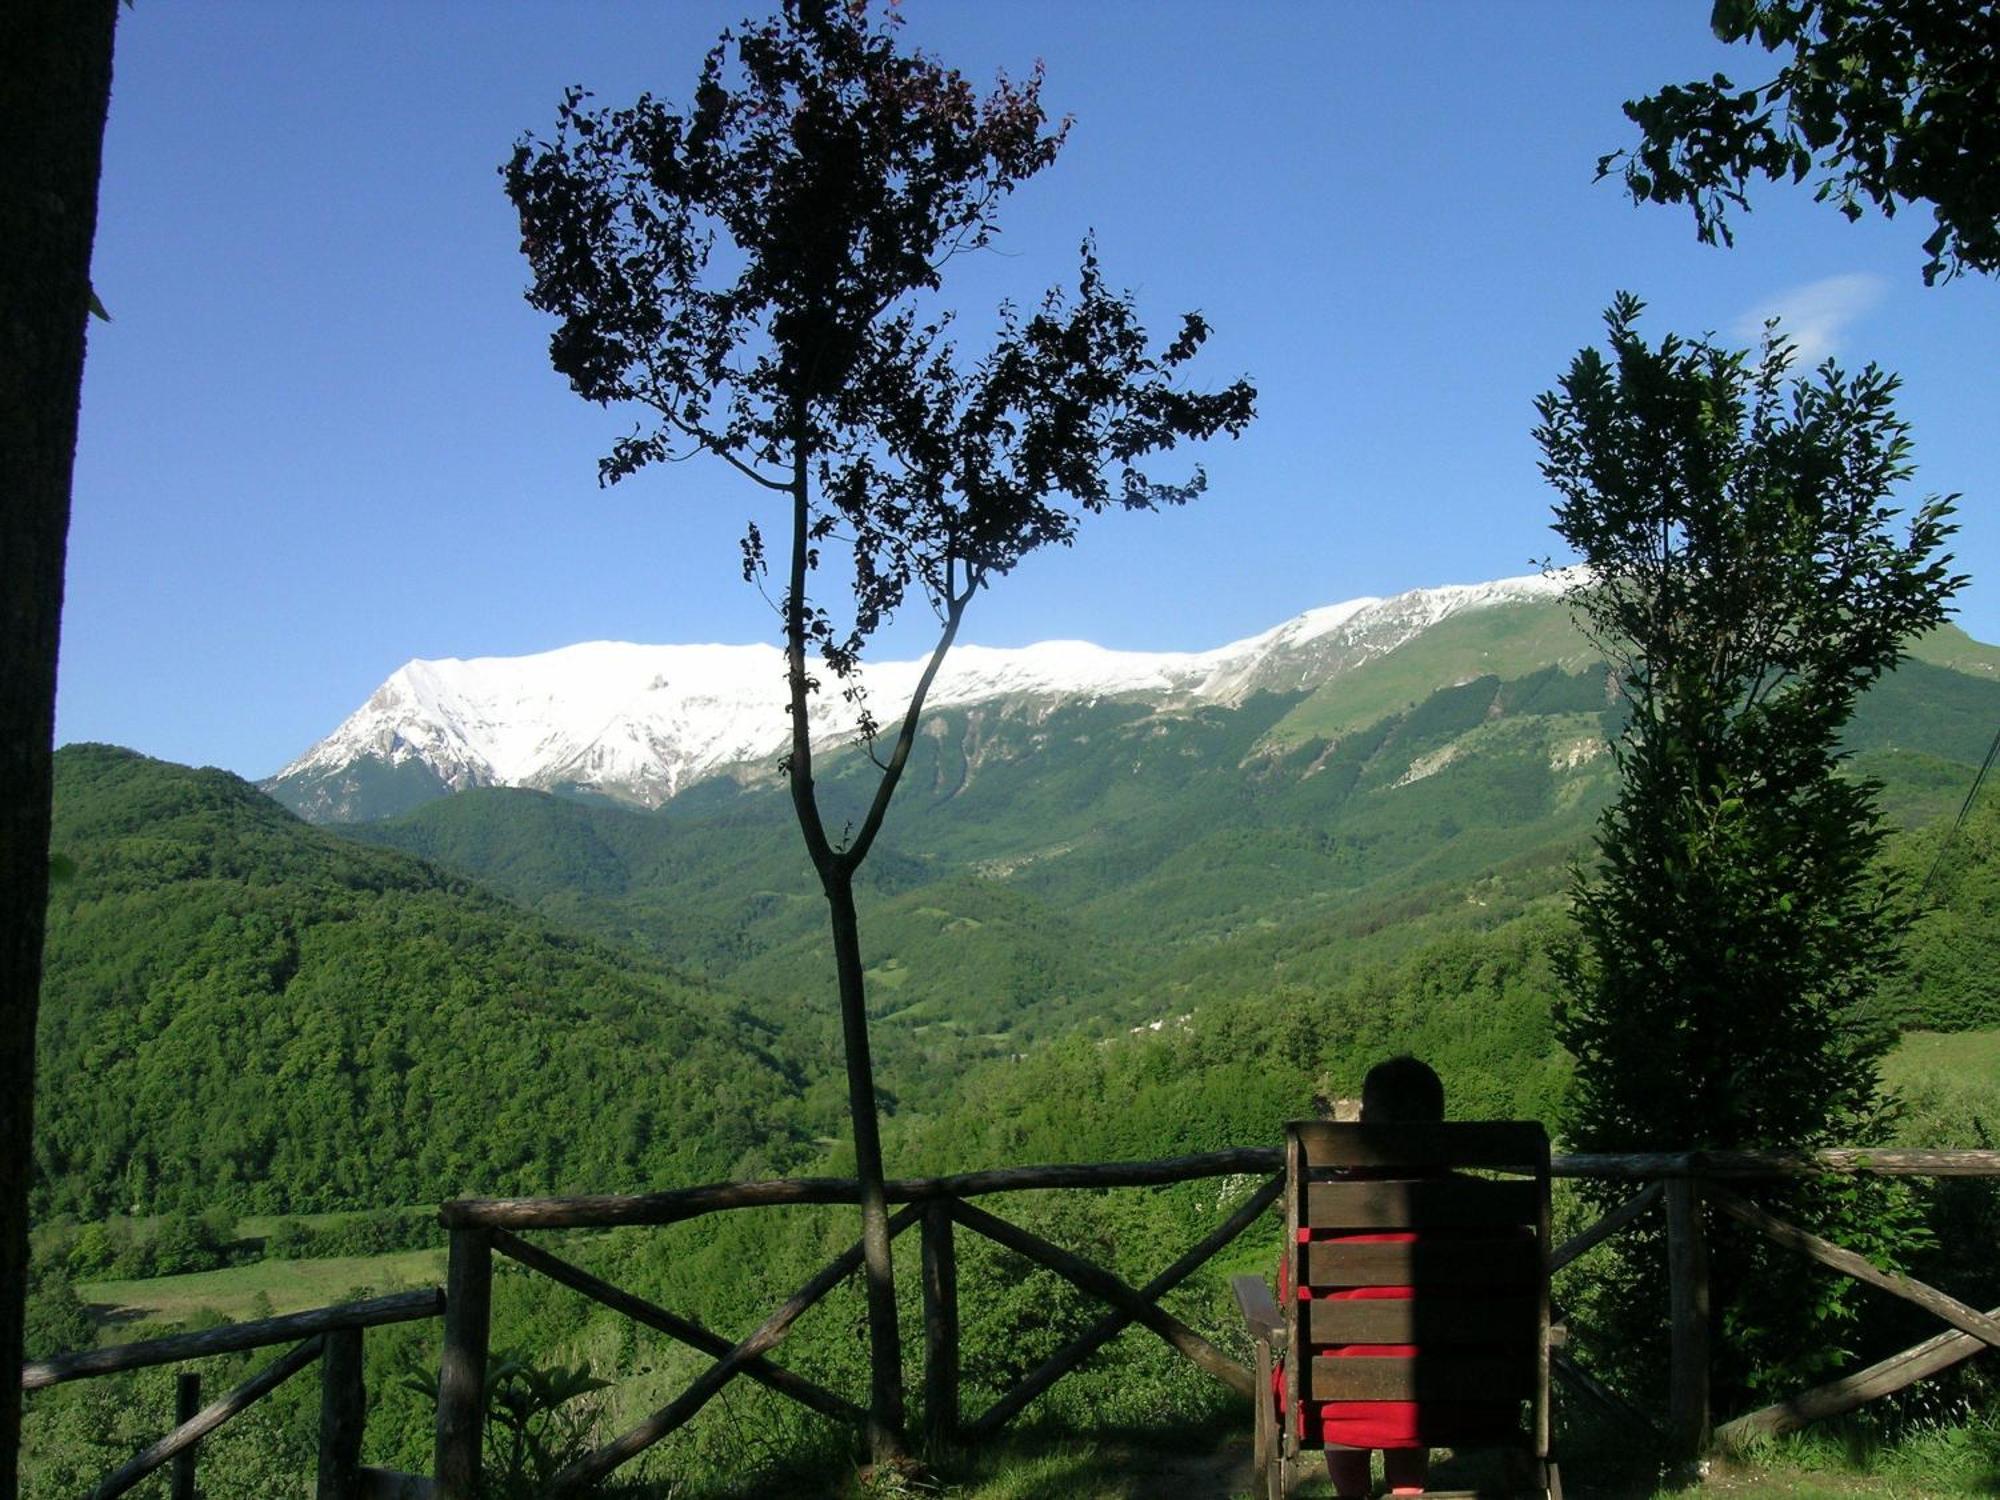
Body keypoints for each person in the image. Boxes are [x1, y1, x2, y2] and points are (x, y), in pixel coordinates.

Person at [1277, 1054, 1444, 1498]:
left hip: (1343, 1404)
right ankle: (1410, 1491)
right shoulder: (1491, 1214)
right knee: (1409, 1380)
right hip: (1458, 1401)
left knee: (1346, 1378)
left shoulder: (1327, 1215)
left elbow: (1288, 1293)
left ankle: (1352, 1494)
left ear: (1365, 1123)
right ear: (1439, 1123)